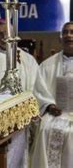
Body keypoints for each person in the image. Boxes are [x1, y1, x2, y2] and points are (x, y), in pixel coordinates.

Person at [31, 21, 73, 167]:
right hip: (56, 111)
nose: (69, 35)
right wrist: (49, 105)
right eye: (65, 32)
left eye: (72, 32)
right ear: (60, 38)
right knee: (45, 128)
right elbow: (39, 90)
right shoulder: (47, 65)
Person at [0, 19, 38, 91]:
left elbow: (35, 84)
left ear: (13, 35)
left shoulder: (28, 59)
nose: (4, 37)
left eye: (7, 33)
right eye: (0, 34)